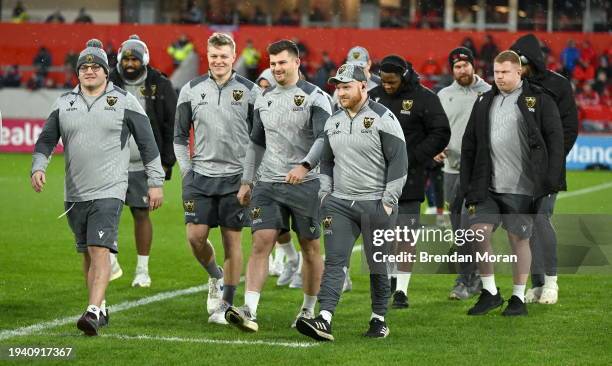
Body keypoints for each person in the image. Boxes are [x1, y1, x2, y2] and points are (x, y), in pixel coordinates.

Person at [31, 39, 165, 336]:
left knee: (99, 248)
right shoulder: (64, 102)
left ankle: (91, 312)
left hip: (110, 189)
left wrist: (155, 182)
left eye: (95, 66)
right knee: (87, 254)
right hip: (75, 192)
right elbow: (46, 140)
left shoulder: (125, 101)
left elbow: (147, 144)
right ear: (77, 72)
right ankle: (100, 305)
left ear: (106, 71)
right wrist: (38, 166)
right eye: (84, 67)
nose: (89, 71)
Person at [224, 39, 332, 332]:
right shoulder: (264, 98)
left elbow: (325, 138)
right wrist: (247, 181)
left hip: (306, 183)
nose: (277, 69)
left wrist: (305, 165)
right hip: (268, 183)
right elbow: (256, 143)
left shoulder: (316, 97)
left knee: (310, 247)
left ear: (297, 62)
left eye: (282, 63)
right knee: (261, 242)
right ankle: (249, 310)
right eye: (272, 64)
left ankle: (308, 310)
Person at [295, 63, 407, 341]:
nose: (341, 92)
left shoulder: (384, 117)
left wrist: (388, 203)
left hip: (376, 204)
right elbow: (328, 161)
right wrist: (325, 194)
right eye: (338, 87)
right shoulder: (333, 121)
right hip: (340, 205)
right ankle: (324, 319)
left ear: (363, 87)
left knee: (377, 264)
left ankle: (379, 319)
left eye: (346, 87)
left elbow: (399, 161)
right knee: (334, 262)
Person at [461, 50, 564, 316]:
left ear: (519, 72)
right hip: (488, 186)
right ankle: (490, 292)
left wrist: (550, 181)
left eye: (505, 72)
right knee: (478, 232)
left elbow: (554, 141)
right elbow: (470, 143)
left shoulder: (539, 99)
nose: (499, 77)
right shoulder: (484, 100)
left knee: (518, 239)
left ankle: (518, 297)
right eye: (496, 73)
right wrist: (467, 185)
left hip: (522, 186)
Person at [174, 33, 261, 324]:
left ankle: (226, 304)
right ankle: (215, 276)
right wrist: (187, 171)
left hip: (235, 178)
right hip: (199, 176)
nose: (219, 61)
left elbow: (259, 139)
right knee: (195, 237)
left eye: (224, 56)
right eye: (214, 56)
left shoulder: (250, 92)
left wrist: (250, 177)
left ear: (233, 56)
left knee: (231, 242)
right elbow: (178, 137)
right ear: (207, 56)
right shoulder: (190, 89)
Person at [369, 55, 450, 308]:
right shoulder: (373, 96)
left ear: (403, 76)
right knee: (383, 234)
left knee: (405, 234)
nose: (388, 85)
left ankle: (401, 290)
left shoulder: (425, 98)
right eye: (384, 81)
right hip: (376, 178)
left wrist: (415, 158)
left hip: (410, 178)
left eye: (392, 81)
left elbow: (441, 131)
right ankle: (390, 279)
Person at [510, 34, 579, 304]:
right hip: (519, 170)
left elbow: (569, 128)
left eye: (521, 64)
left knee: (541, 220)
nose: (517, 69)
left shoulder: (558, 85)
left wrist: (552, 160)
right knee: (524, 226)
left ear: (531, 61)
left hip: (549, 168)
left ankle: (552, 282)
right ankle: (537, 285)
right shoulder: (515, 86)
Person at [108, 35, 178, 287]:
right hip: (109, 162)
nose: (129, 63)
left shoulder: (160, 84)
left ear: (143, 60)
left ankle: (142, 270)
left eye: (134, 59)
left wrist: (167, 161)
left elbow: (171, 124)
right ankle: (110, 262)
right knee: (106, 213)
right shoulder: (107, 80)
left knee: (140, 213)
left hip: (142, 163)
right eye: (125, 58)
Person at [435, 47, 491, 300]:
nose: (462, 70)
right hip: (452, 170)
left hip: (481, 171)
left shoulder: (490, 92)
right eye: (457, 66)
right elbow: (437, 130)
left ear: (474, 65)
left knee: (476, 226)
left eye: (466, 65)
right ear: (452, 69)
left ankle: (467, 279)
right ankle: (471, 277)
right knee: (458, 228)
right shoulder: (443, 95)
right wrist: (436, 148)